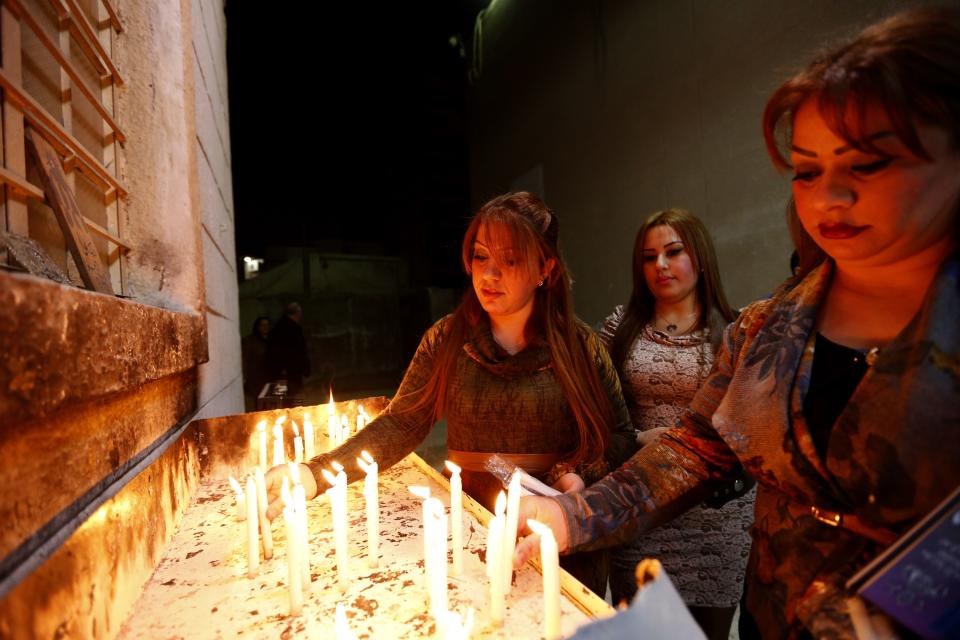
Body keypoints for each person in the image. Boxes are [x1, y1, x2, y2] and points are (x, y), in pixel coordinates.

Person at [515, 8, 960, 638]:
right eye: (807, 171)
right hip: (773, 616)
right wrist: (574, 514)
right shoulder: (767, 327)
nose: (828, 197)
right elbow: (698, 447)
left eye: (867, 164)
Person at [267, 191, 637, 594]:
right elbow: (401, 422)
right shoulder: (447, 339)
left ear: (544, 268)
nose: (489, 275)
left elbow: (620, 435)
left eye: (509, 260)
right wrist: (314, 472)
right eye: (481, 257)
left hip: (553, 540)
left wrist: (578, 473)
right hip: (467, 532)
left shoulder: (581, 348)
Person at [599, 209, 752, 639]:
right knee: (642, 628)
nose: (660, 266)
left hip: (716, 517)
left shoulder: (736, 331)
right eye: (649, 257)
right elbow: (595, 413)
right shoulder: (619, 328)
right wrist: (635, 440)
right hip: (641, 506)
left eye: (673, 252)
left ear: (699, 257)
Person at [268, 302, 311, 395]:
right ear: (297, 313)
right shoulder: (291, 329)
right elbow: (298, 350)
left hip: (281, 370)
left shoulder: (278, 327)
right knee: (290, 397)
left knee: (281, 397)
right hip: (290, 371)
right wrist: (304, 367)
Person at [242, 316, 271, 407]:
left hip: (269, 377)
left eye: (267, 325)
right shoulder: (250, 341)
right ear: (258, 327)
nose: (265, 327)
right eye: (262, 325)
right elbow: (245, 359)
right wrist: (245, 376)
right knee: (258, 403)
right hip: (256, 379)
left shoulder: (272, 340)